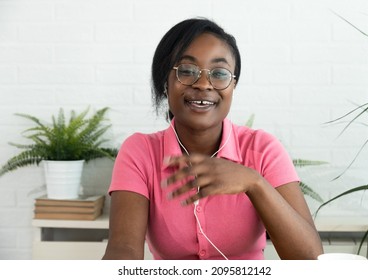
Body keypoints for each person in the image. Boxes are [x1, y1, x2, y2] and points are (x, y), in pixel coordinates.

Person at [102, 18, 323, 260]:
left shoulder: (263, 149)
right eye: (186, 71)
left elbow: (310, 260)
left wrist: (254, 183)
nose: (204, 84)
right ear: (165, 82)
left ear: (233, 85)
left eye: (219, 73)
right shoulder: (140, 152)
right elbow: (123, 251)